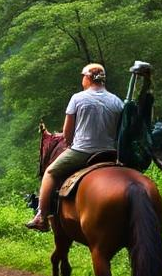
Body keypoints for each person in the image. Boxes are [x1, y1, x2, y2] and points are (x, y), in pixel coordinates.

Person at [26, 63, 124, 232]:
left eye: (82, 76)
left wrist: (71, 143)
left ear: (87, 78)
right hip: (110, 153)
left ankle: (41, 217)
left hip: (83, 152)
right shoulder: (117, 101)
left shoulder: (78, 98)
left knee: (50, 172)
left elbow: (67, 132)